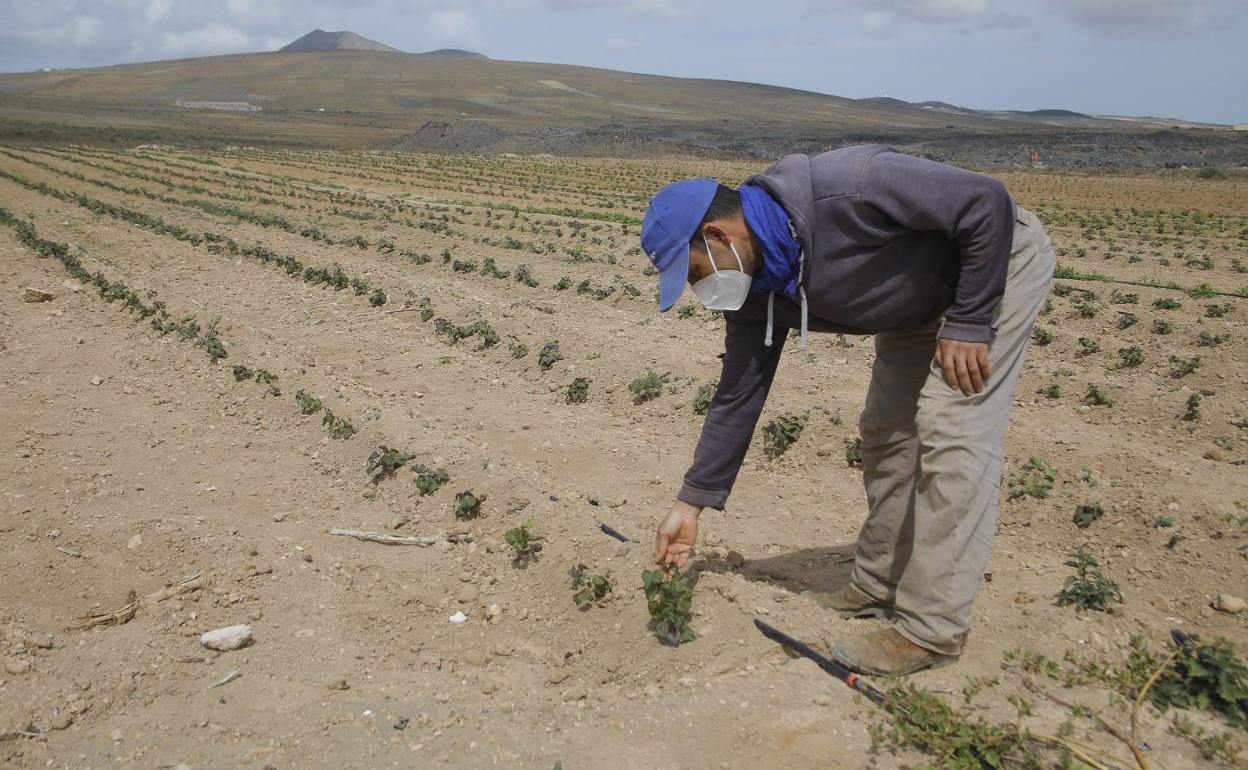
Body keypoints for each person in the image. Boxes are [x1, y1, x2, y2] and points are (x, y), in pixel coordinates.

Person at [640, 144, 1055, 675]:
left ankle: (931, 630)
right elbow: (738, 394)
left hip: (991, 264)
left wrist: (971, 321)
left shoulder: (849, 186)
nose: (701, 289)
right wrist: (690, 502)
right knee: (886, 431)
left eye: (696, 272)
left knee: (952, 428)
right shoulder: (756, 290)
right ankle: (878, 583)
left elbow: (984, 202)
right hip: (914, 298)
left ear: (718, 236)